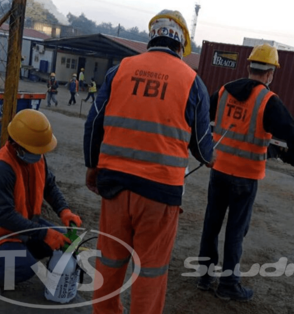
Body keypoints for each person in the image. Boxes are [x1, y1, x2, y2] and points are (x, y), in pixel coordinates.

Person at [83, 9, 214, 314]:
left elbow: (94, 124)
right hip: (160, 195)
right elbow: (203, 147)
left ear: (151, 36)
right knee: (150, 270)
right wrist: (209, 157)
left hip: (113, 186)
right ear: (181, 45)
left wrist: (93, 166)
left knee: (110, 261)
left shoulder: (120, 70)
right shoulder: (192, 81)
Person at [197, 44, 294, 301]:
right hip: (245, 178)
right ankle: (228, 285)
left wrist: (203, 151)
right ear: (270, 73)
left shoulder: (225, 91)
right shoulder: (268, 101)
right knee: (235, 232)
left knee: (211, 225)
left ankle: (204, 277)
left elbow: (200, 117)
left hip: (219, 171)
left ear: (249, 67)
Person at [0, 109, 83, 299]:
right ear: (16, 145)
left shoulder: (35, 157)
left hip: (21, 230)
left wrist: (64, 211)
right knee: (25, 269)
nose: (40, 154)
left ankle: (21, 254)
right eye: (36, 150)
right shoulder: (0, 168)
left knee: (62, 242)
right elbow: (4, 216)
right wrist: (44, 233)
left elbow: (49, 186)